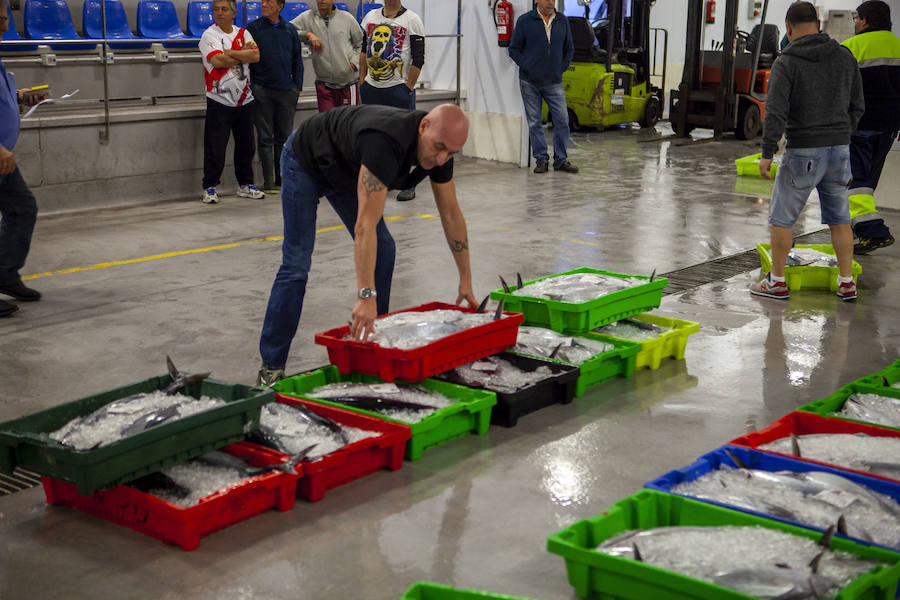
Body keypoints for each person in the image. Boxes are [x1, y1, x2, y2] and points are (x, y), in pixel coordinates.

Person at [256, 103, 476, 385]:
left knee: (384, 249)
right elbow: (364, 227)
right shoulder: (385, 141)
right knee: (296, 265)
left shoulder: (441, 153)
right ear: (423, 127)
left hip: (346, 170)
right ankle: (271, 366)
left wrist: (465, 280)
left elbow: (451, 214)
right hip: (305, 160)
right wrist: (365, 295)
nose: (442, 158)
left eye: (451, 153)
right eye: (439, 147)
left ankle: (374, 346)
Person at [751, 1, 864, 302]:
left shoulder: (786, 61)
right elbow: (858, 105)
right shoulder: (844, 56)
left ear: (788, 28)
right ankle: (846, 282)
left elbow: (776, 110)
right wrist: (842, 134)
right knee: (840, 219)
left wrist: (767, 152)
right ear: (818, 24)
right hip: (839, 150)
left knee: (782, 219)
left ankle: (776, 282)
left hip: (802, 151)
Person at [842, 0, 900, 255]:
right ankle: (863, 230)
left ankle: (873, 230)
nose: (855, 23)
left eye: (856, 18)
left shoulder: (852, 47)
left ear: (864, 20)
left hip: (859, 125)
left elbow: (838, 89)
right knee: (867, 182)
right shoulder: (898, 46)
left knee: (857, 181)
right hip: (889, 128)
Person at [0, 1, 45, 318]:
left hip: (4, 159)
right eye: (0, 19)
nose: (5, 26)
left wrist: (19, 96)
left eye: (5, 19)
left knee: (22, 208)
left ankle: (4, 273)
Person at [199, 0, 266, 204]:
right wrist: (242, 54)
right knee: (215, 148)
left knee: (246, 146)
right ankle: (210, 187)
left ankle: (245, 184)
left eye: (224, 9)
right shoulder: (209, 35)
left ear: (234, 13)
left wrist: (229, 52)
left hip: (245, 100)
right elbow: (218, 61)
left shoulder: (243, 33)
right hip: (219, 100)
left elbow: (256, 55)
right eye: (216, 9)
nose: (219, 13)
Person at [358, 0, 424, 201]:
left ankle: (408, 184)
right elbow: (364, 50)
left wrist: (408, 87)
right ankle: (379, 180)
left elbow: (419, 58)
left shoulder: (412, 20)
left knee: (405, 139)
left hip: (398, 89)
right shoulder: (370, 17)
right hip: (372, 89)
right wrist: (362, 80)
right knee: (375, 138)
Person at [508, 0, 579, 174]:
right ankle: (541, 159)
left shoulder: (562, 21)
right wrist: (528, 66)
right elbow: (514, 49)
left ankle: (560, 160)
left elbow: (569, 49)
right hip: (529, 82)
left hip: (554, 82)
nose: (551, 2)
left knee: (562, 121)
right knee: (535, 123)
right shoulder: (525, 21)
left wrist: (560, 68)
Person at [246, 0, 303, 194]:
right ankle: (268, 181)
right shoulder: (253, 29)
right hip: (262, 91)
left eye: (269, 1)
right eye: (263, 1)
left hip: (287, 92)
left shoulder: (290, 30)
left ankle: (281, 180)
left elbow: (297, 60)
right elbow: (248, 60)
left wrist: (297, 87)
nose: (263, 4)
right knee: (264, 137)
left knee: (283, 137)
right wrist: (253, 87)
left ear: (280, 6)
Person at [292, 0, 363, 113]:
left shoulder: (346, 18)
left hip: (347, 84)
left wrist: (354, 64)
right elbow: (288, 30)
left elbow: (361, 43)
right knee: (326, 122)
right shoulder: (307, 17)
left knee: (346, 122)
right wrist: (308, 35)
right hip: (323, 85)